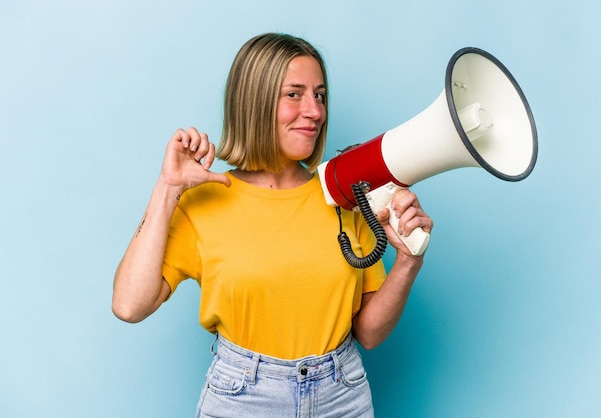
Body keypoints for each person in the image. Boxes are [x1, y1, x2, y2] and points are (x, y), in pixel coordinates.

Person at [112, 32, 433, 418]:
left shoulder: (345, 195)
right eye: (294, 94)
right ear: (255, 102)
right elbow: (130, 305)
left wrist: (407, 262)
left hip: (341, 395)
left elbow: (369, 333)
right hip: (244, 396)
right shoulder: (204, 200)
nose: (315, 111)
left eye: (320, 95)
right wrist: (167, 189)